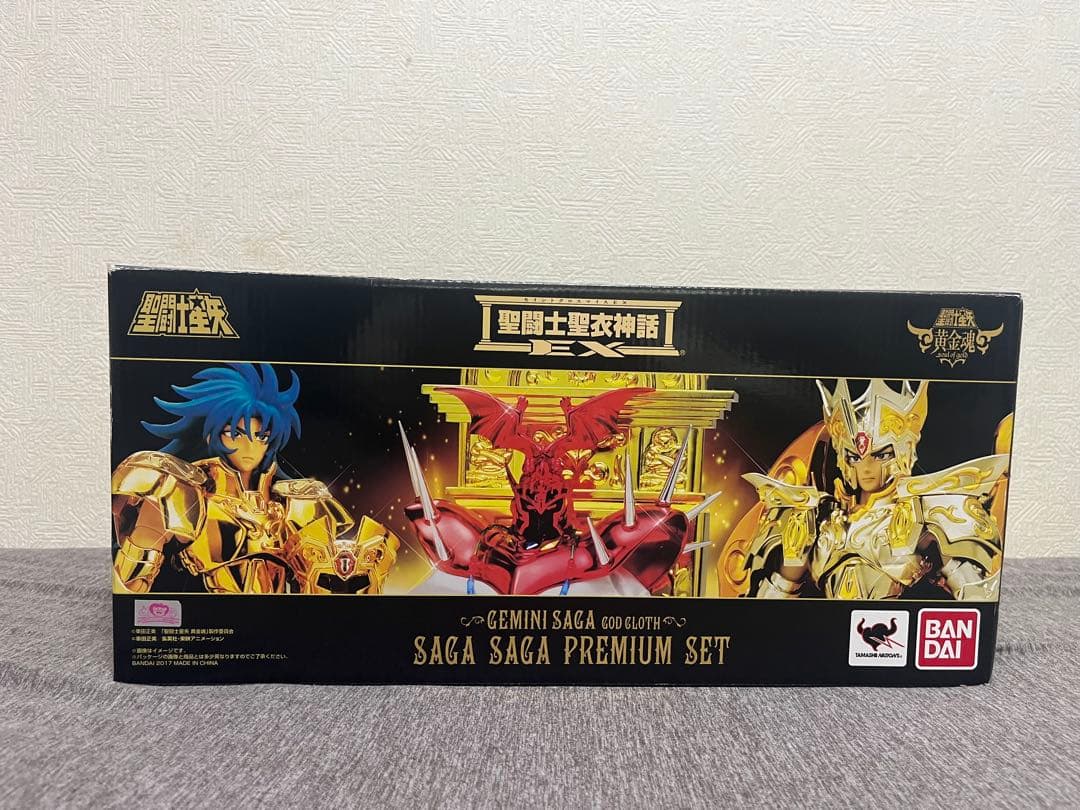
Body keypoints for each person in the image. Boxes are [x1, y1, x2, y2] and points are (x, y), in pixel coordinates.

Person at [111, 363, 396, 594]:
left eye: (261, 436)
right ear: (211, 435)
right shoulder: (180, 492)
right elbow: (129, 585)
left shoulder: (299, 504)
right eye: (235, 433)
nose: (250, 447)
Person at [744, 378, 1006, 600]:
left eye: (880, 455)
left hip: (893, 632)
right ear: (843, 457)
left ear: (903, 451)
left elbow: (976, 600)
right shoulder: (816, 517)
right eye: (855, 457)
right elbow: (767, 607)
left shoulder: (929, 512)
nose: (866, 468)